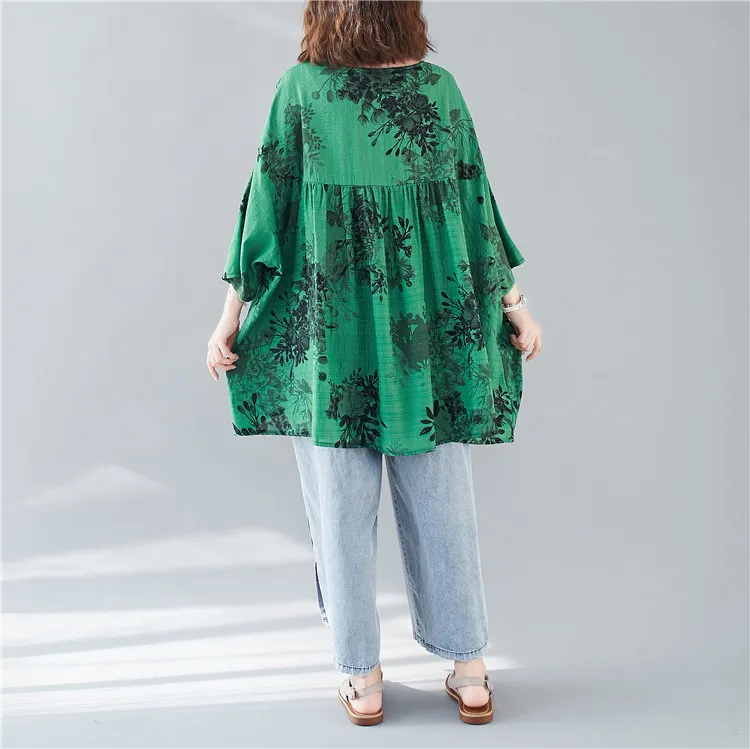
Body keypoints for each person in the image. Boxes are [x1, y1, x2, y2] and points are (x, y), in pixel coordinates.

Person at [206, 0, 542, 726]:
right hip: (425, 342)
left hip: (333, 344)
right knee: (442, 497)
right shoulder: (438, 91)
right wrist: (515, 305)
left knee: (339, 505)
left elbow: (266, 212)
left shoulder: (301, 91)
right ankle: (471, 671)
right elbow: (475, 208)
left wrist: (230, 316)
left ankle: (361, 678)